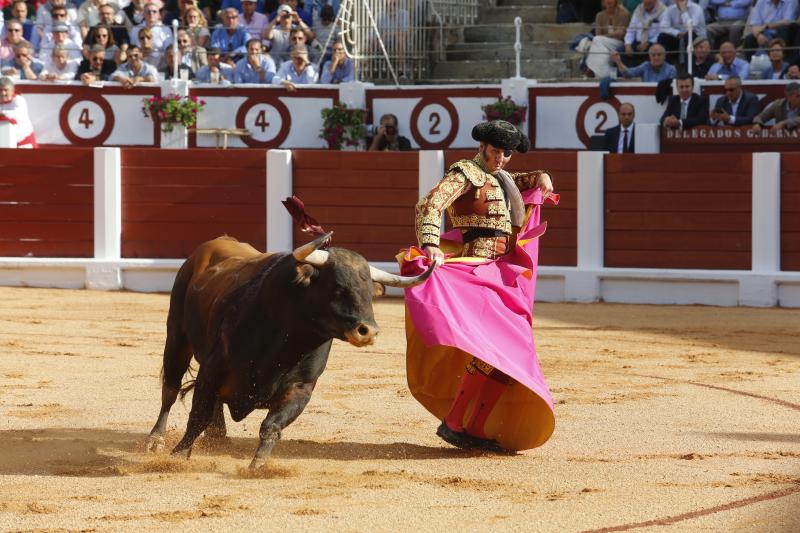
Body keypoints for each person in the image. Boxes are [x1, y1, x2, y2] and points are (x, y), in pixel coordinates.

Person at [402, 119, 555, 453]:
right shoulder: (465, 173)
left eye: (506, 154)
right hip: (475, 271)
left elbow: (522, 180)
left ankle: (469, 427)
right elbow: (430, 205)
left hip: (499, 274)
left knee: (508, 353)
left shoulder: (498, 177)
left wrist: (540, 177)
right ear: (483, 147)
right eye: (496, 152)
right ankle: (457, 422)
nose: (501, 159)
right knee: (498, 350)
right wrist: (429, 243)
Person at [583, 0, 630, 79]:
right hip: (602, 43)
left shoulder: (623, 14)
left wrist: (606, 35)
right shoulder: (599, 15)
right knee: (601, 48)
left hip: (619, 42)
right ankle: (606, 74)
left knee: (597, 40)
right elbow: (598, 33)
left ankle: (591, 69)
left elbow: (621, 34)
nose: (608, 1)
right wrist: (613, 34)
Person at [0, 76, 37, 148]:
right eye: (0, 90)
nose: (3, 93)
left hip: (23, 141)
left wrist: (2, 113)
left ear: (12, 90)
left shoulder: (19, 100)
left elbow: (16, 114)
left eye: (5, 90)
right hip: (4, 142)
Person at [611, 43, 677, 81]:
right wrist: (618, 61)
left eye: (659, 55)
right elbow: (628, 74)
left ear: (664, 56)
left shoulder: (671, 69)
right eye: (653, 55)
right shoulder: (646, 66)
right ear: (649, 56)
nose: (656, 57)